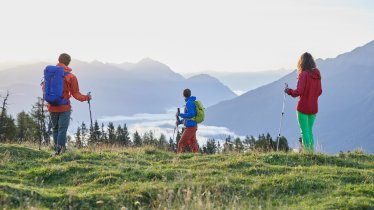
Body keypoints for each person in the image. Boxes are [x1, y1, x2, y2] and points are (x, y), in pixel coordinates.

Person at [45, 53, 91, 156]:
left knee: (55, 128)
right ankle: (60, 151)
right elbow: (76, 94)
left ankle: (57, 150)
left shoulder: (50, 74)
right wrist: (86, 97)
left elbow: (45, 89)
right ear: (68, 62)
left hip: (52, 106)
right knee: (62, 129)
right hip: (64, 107)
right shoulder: (71, 76)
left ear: (58, 60)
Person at [285, 52, 322, 153]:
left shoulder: (303, 74)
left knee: (304, 131)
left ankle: (308, 153)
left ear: (301, 63)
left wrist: (288, 91)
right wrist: (312, 96)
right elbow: (319, 91)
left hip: (303, 109)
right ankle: (311, 151)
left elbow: (299, 91)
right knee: (309, 131)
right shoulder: (317, 74)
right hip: (314, 109)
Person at [176, 88, 199, 153]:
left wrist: (180, 114)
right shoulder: (190, 102)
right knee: (193, 144)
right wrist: (180, 122)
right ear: (190, 94)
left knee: (181, 143)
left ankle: (178, 159)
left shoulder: (189, 103)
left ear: (183, 95)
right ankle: (196, 157)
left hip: (190, 127)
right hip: (193, 126)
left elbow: (191, 114)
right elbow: (188, 116)